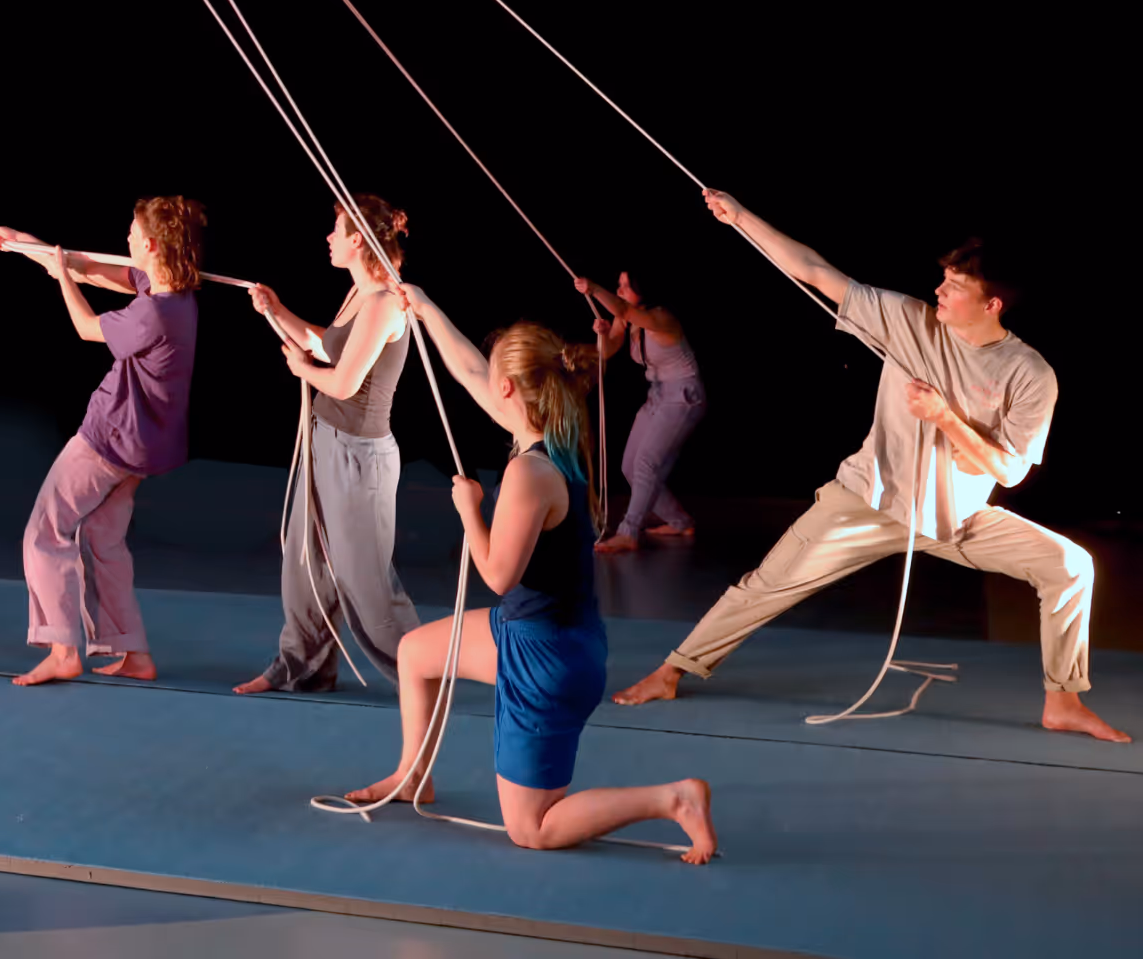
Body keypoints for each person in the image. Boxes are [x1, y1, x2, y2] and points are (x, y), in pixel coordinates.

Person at [613, 190, 1126, 742]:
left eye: (954, 286)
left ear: (991, 303)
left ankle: (1063, 701)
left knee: (1071, 566)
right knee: (765, 586)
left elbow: (1009, 472)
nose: (938, 291)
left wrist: (946, 418)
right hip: (868, 499)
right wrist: (739, 217)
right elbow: (813, 270)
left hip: (954, 518)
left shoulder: (1030, 374)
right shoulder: (910, 321)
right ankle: (671, 672)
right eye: (943, 280)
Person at [343, 289, 717, 864]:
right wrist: (423, 306)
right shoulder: (559, 431)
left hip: (545, 662)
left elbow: (496, 574)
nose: (485, 381)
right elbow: (470, 370)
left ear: (511, 389)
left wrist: (469, 509)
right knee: (417, 653)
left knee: (533, 829)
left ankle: (673, 800)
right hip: (548, 634)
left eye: (495, 378)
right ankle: (414, 774)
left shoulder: (527, 473)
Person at [0, 197, 208, 687]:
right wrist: (23, 243)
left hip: (110, 439)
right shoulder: (174, 295)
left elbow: (86, 326)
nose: (125, 240)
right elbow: (87, 268)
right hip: (143, 448)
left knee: (46, 531)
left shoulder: (153, 314)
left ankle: (63, 650)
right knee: (103, 538)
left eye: (131, 233)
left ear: (149, 245)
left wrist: (61, 277)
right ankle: (134, 653)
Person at [235, 196, 424, 694]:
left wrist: (303, 372)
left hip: (360, 457)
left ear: (358, 239)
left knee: (369, 587)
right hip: (328, 442)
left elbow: (342, 381)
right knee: (304, 563)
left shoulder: (385, 301)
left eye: (336, 230)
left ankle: (427, 669)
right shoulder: (359, 294)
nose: (328, 238)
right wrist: (277, 311)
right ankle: (302, 667)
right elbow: (326, 344)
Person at [575, 270, 707, 553]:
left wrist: (594, 289)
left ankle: (629, 531)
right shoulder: (626, 318)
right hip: (658, 396)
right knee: (630, 467)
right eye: (618, 285)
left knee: (646, 463)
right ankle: (680, 522)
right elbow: (608, 349)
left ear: (643, 291)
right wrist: (601, 335)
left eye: (625, 286)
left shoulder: (661, 318)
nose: (619, 290)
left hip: (684, 396)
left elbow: (621, 307)